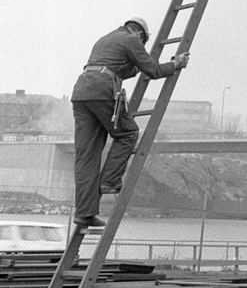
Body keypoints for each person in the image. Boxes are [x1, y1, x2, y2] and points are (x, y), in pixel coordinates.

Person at [70, 17, 189, 228]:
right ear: (140, 34)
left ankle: (84, 213)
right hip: (102, 89)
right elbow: (154, 71)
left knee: (86, 156)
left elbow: (123, 69)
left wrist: (139, 65)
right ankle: (110, 180)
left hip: (81, 92)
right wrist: (175, 64)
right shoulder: (132, 40)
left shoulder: (105, 40)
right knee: (127, 133)